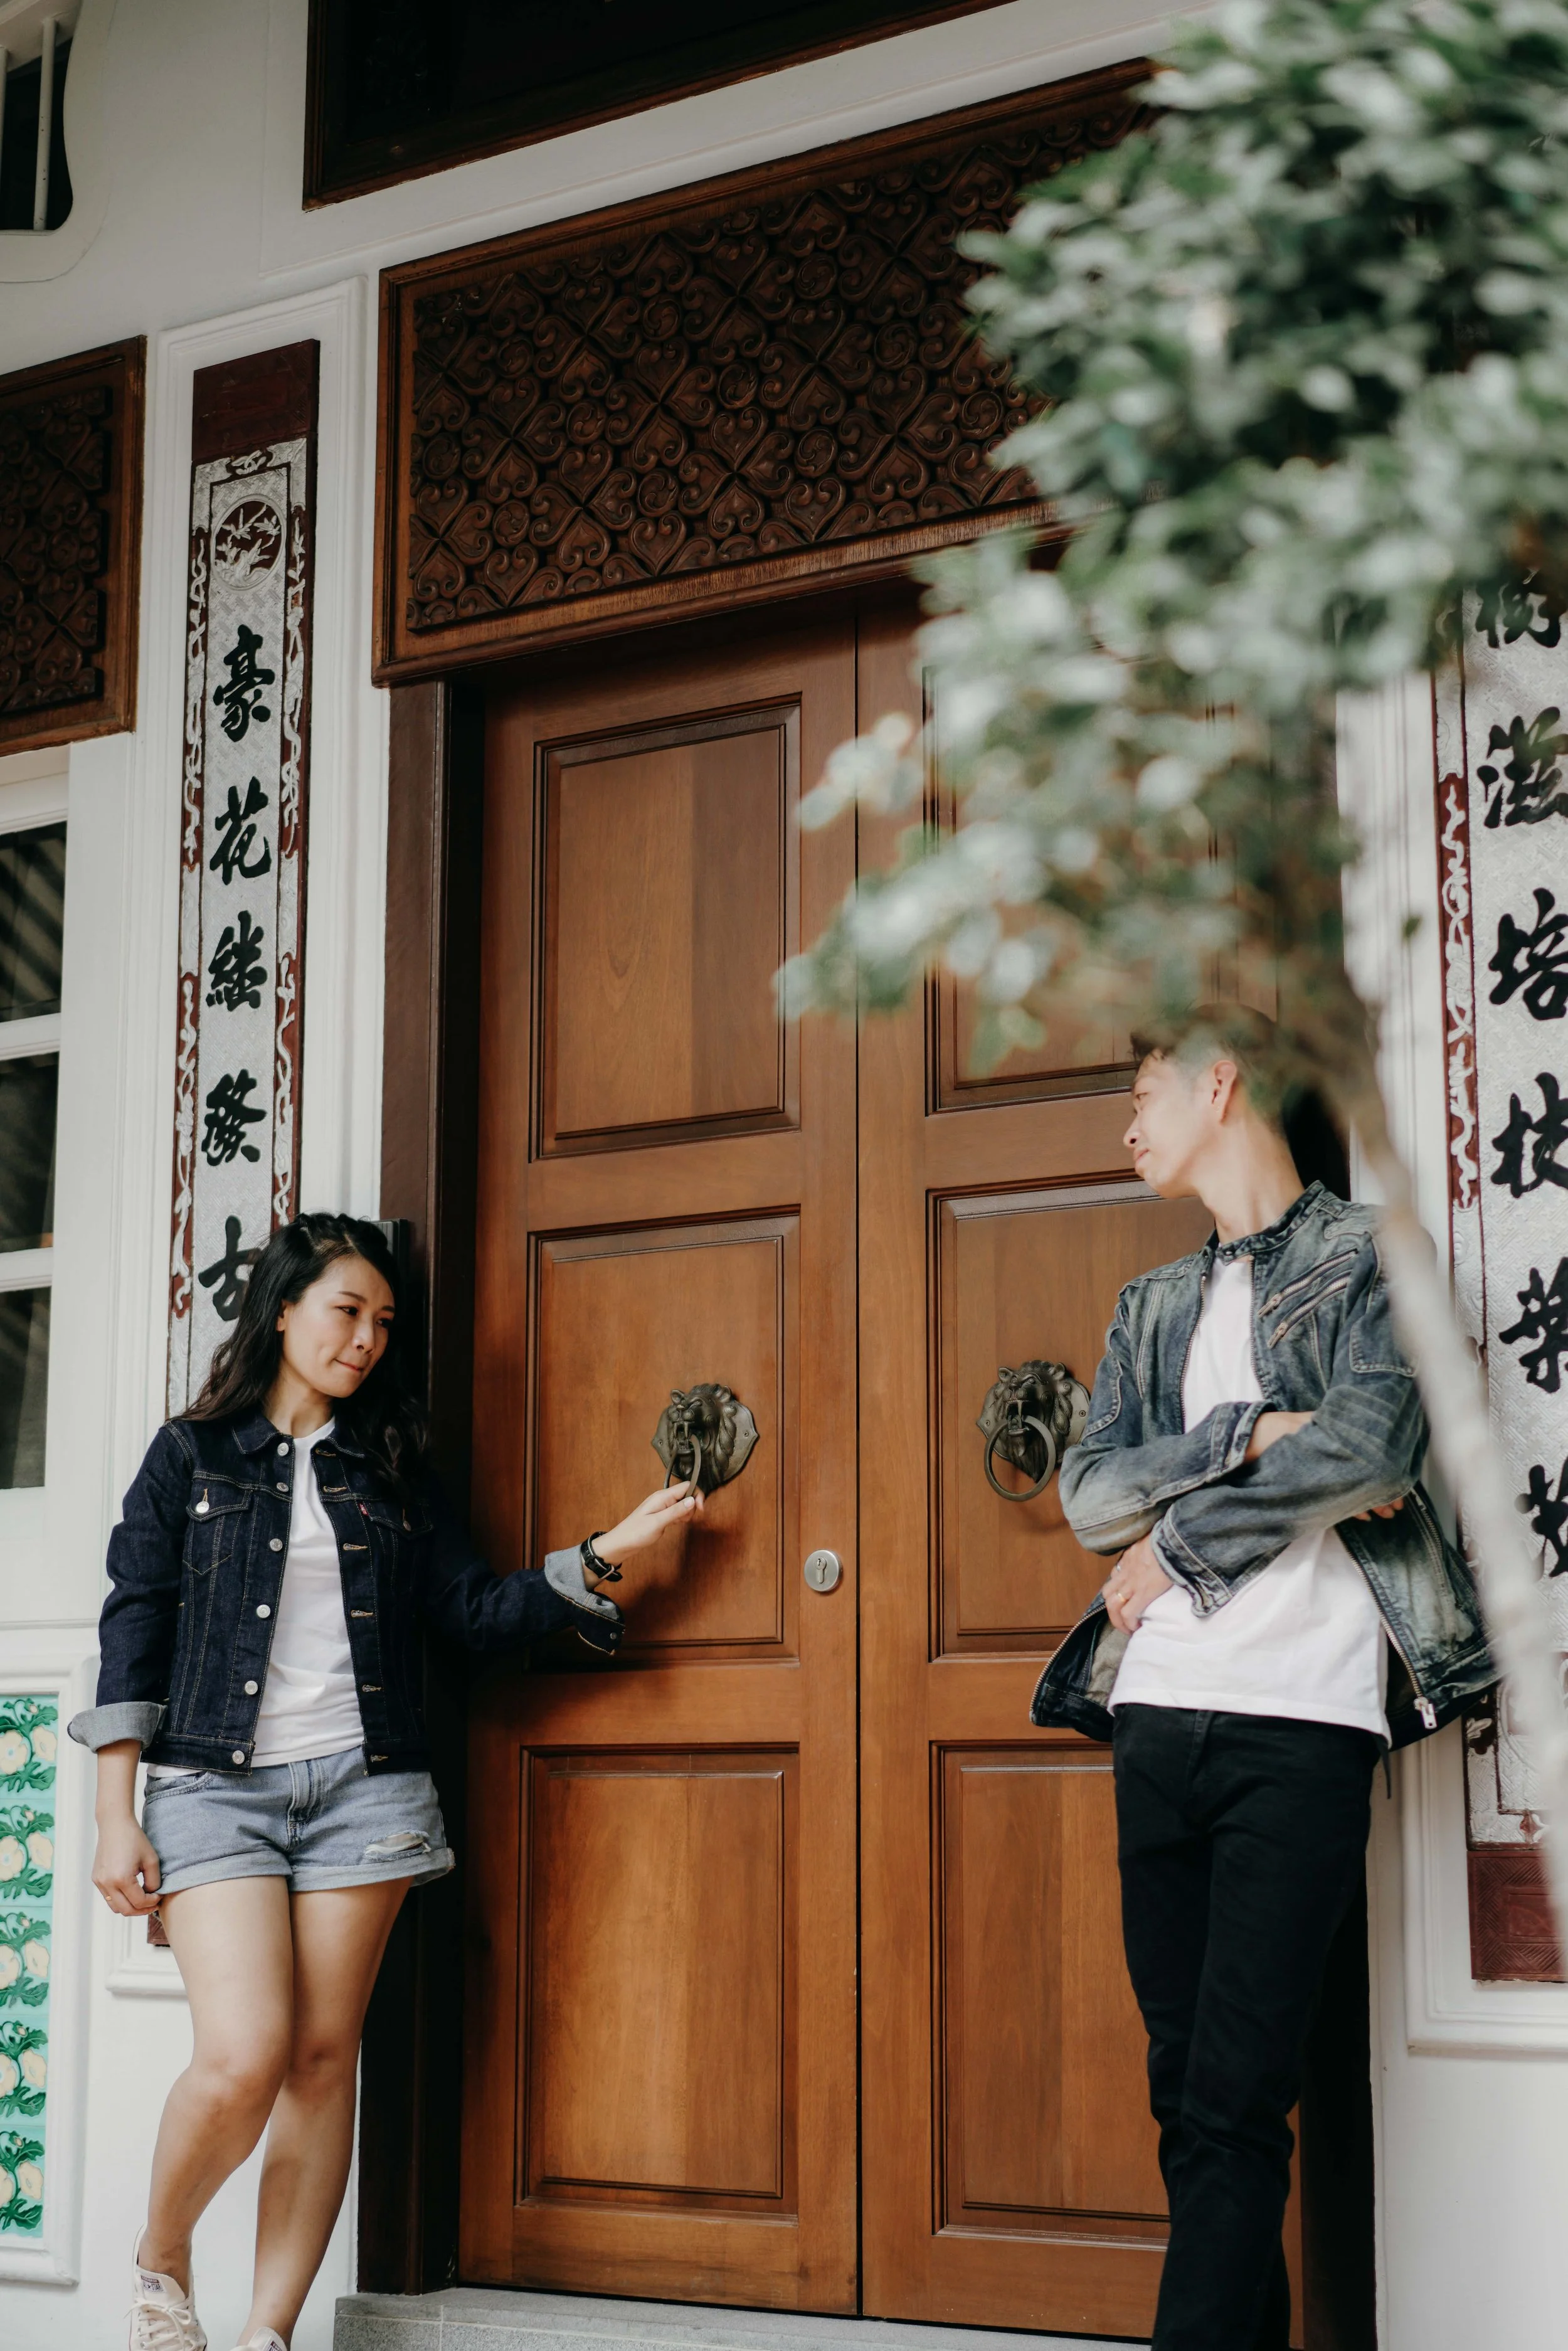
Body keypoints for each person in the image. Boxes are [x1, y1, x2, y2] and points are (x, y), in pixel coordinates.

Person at [68, 1214, 700, 2351]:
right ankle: (161, 2265)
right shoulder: (192, 1455)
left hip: (364, 1789)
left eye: (383, 1324)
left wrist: (606, 1555)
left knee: (321, 2060)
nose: (366, 1341)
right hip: (216, 1788)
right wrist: (116, 1816)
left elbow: (470, 1613)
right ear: (282, 1308)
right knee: (245, 2053)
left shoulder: (393, 1467)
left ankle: (269, 2333)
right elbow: (135, 1626)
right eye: (346, 1312)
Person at [1030, 1009, 1496, 2351]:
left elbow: (1366, 1448)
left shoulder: (1370, 1255)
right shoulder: (1149, 1304)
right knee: (1189, 2096)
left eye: (1141, 1093)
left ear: (1217, 1082)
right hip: (1154, 1714)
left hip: (1300, 1718)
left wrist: (1176, 1543)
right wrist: (1243, 1431)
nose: (1126, 1125)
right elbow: (1083, 1495)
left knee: (1234, 2096)